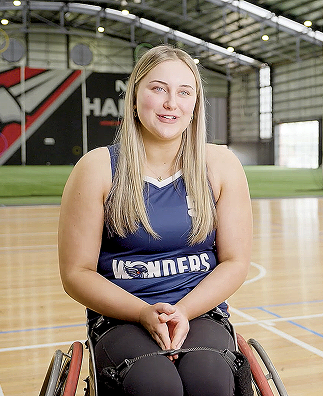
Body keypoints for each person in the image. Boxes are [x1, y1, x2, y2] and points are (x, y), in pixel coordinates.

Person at [58, 44, 253, 396]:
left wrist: (182, 311)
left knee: (209, 380)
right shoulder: (97, 169)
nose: (171, 103)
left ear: (194, 105)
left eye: (184, 92)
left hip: (199, 310)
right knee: (156, 385)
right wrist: (143, 313)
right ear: (134, 97)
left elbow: (235, 261)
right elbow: (76, 274)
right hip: (121, 315)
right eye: (158, 88)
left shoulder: (221, 166)